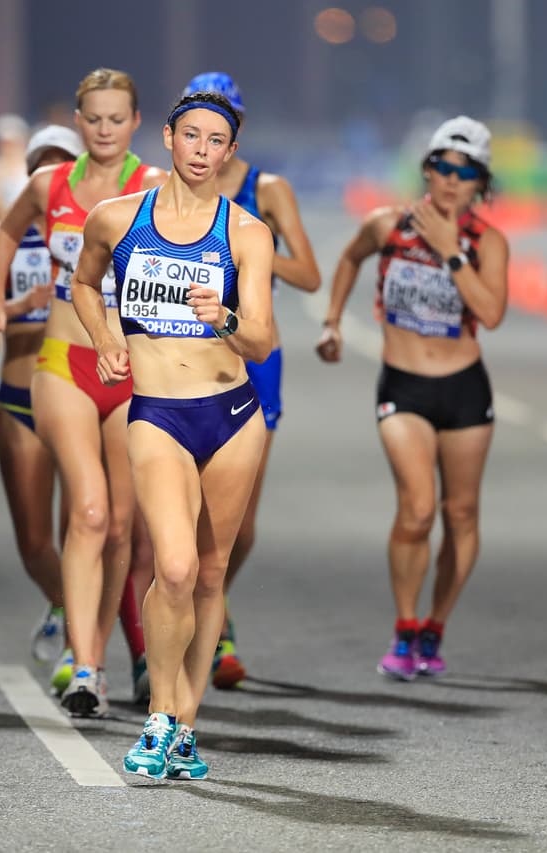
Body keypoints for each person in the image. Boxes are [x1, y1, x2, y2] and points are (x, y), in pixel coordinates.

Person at [73, 90, 274, 780]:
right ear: (167, 136)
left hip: (233, 415)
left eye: (215, 141)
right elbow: (82, 283)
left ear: (229, 153)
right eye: (191, 135)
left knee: (213, 571)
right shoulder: (116, 219)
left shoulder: (245, 231)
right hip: (157, 412)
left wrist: (224, 317)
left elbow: (264, 339)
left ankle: (187, 722)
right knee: (177, 566)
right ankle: (158, 715)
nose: (201, 150)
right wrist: (104, 337)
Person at [0, 68, 166, 717]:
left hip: (131, 367)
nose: (107, 129)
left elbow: (206, 244)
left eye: (118, 119)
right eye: (95, 119)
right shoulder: (49, 184)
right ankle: (84, 665)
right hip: (62, 361)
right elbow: (2, 234)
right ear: (78, 122)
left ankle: (100, 656)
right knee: (87, 511)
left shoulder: (153, 187)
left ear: (136, 122)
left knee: (120, 525)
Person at [316, 116, 509, 682]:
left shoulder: (486, 242)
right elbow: (350, 258)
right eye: (441, 167)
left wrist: (452, 252)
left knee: (461, 512)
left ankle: (435, 626)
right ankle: (404, 629)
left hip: (465, 387)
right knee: (419, 509)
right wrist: (333, 322)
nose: (450, 180)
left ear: (480, 183)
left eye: (464, 171)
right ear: (426, 170)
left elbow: (491, 314)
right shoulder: (388, 226)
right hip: (403, 386)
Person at [181, 71, 321, 690]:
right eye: (198, 123)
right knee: (177, 503)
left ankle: (218, 610)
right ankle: (191, 619)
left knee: (241, 520)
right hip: (183, 353)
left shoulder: (268, 189)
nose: (207, 139)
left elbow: (310, 274)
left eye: (224, 119)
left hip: (255, 357)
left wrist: (250, 247)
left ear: (236, 129)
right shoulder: (166, 192)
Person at [0, 125, 83, 664]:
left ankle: (84, 652)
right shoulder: (6, 237)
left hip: (80, 392)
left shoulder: (98, 232)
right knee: (35, 543)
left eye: (63, 164)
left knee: (85, 529)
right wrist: (19, 306)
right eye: (42, 165)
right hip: (20, 396)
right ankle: (68, 606)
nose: (52, 174)